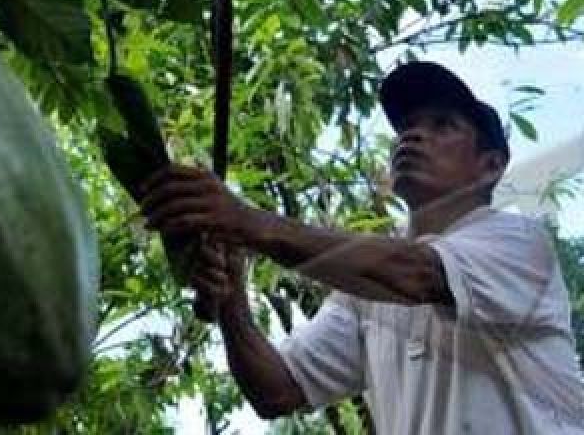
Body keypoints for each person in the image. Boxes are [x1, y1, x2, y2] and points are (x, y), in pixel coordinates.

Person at [139, 61, 584, 433]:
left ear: (490, 167)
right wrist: (232, 300)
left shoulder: (519, 244)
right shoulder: (363, 295)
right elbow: (277, 390)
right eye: (407, 126)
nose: (412, 136)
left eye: (442, 125)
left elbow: (418, 274)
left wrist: (247, 222)